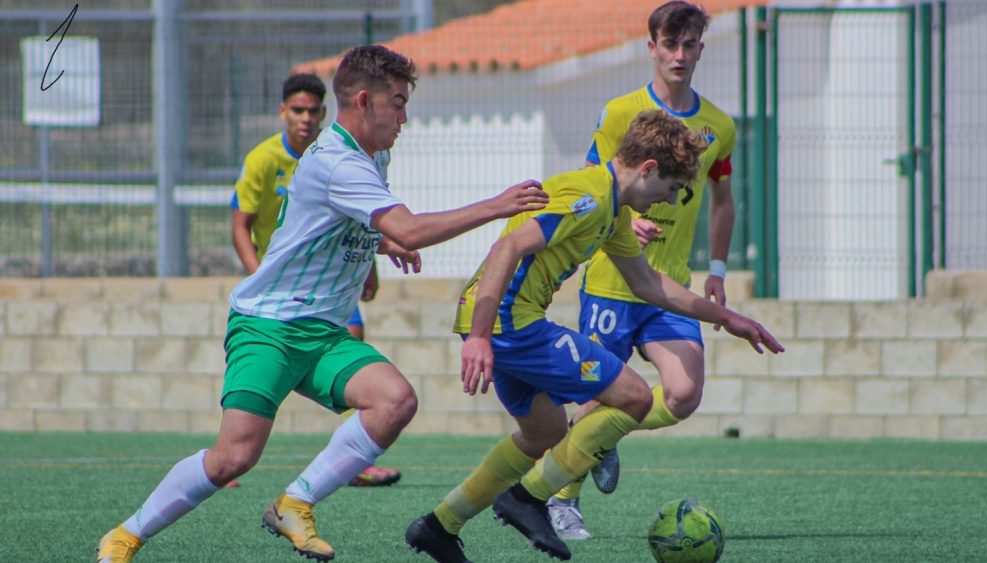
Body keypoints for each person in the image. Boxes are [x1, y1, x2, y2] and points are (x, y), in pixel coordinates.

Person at [96, 44, 548, 563]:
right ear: (362, 101)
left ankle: (296, 501)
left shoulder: (374, 154)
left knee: (394, 400)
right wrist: (496, 206)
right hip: (268, 325)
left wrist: (383, 244)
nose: (405, 117)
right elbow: (409, 225)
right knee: (232, 458)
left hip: (323, 331)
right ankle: (125, 536)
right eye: (398, 103)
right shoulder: (338, 160)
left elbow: (347, 221)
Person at [404, 109, 783, 562]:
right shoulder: (588, 196)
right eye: (671, 188)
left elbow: (648, 284)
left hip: (506, 323)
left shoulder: (613, 212)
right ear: (648, 169)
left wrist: (728, 316)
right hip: (509, 322)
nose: (669, 199)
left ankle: (439, 525)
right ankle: (526, 500)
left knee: (543, 431)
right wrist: (480, 336)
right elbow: (507, 246)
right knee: (635, 396)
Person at [547, 1, 739, 540]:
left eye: (690, 44)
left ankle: (605, 439)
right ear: (651, 47)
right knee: (591, 397)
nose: (679, 54)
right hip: (613, 280)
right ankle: (562, 500)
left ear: (701, 48)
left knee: (683, 393)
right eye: (669, 44)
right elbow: (594, 183)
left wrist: (718, 267)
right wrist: (624, 225)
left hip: (670, 285)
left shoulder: (718, 127)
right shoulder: (618, 113)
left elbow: (724, 201)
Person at [230, 72, 400, 489]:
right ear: (282, 112)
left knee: (366, 356)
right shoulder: (265, 159)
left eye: (312, 111)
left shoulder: (360, 155)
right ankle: (225, 459)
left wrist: (370, 265)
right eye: (297, 110)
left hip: (331, 281)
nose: (305, 119)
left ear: (325, 112)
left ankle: (352, 458)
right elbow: (240, 225)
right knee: (236, 449)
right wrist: (260, 276)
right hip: (277, 296)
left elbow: (363, 218)